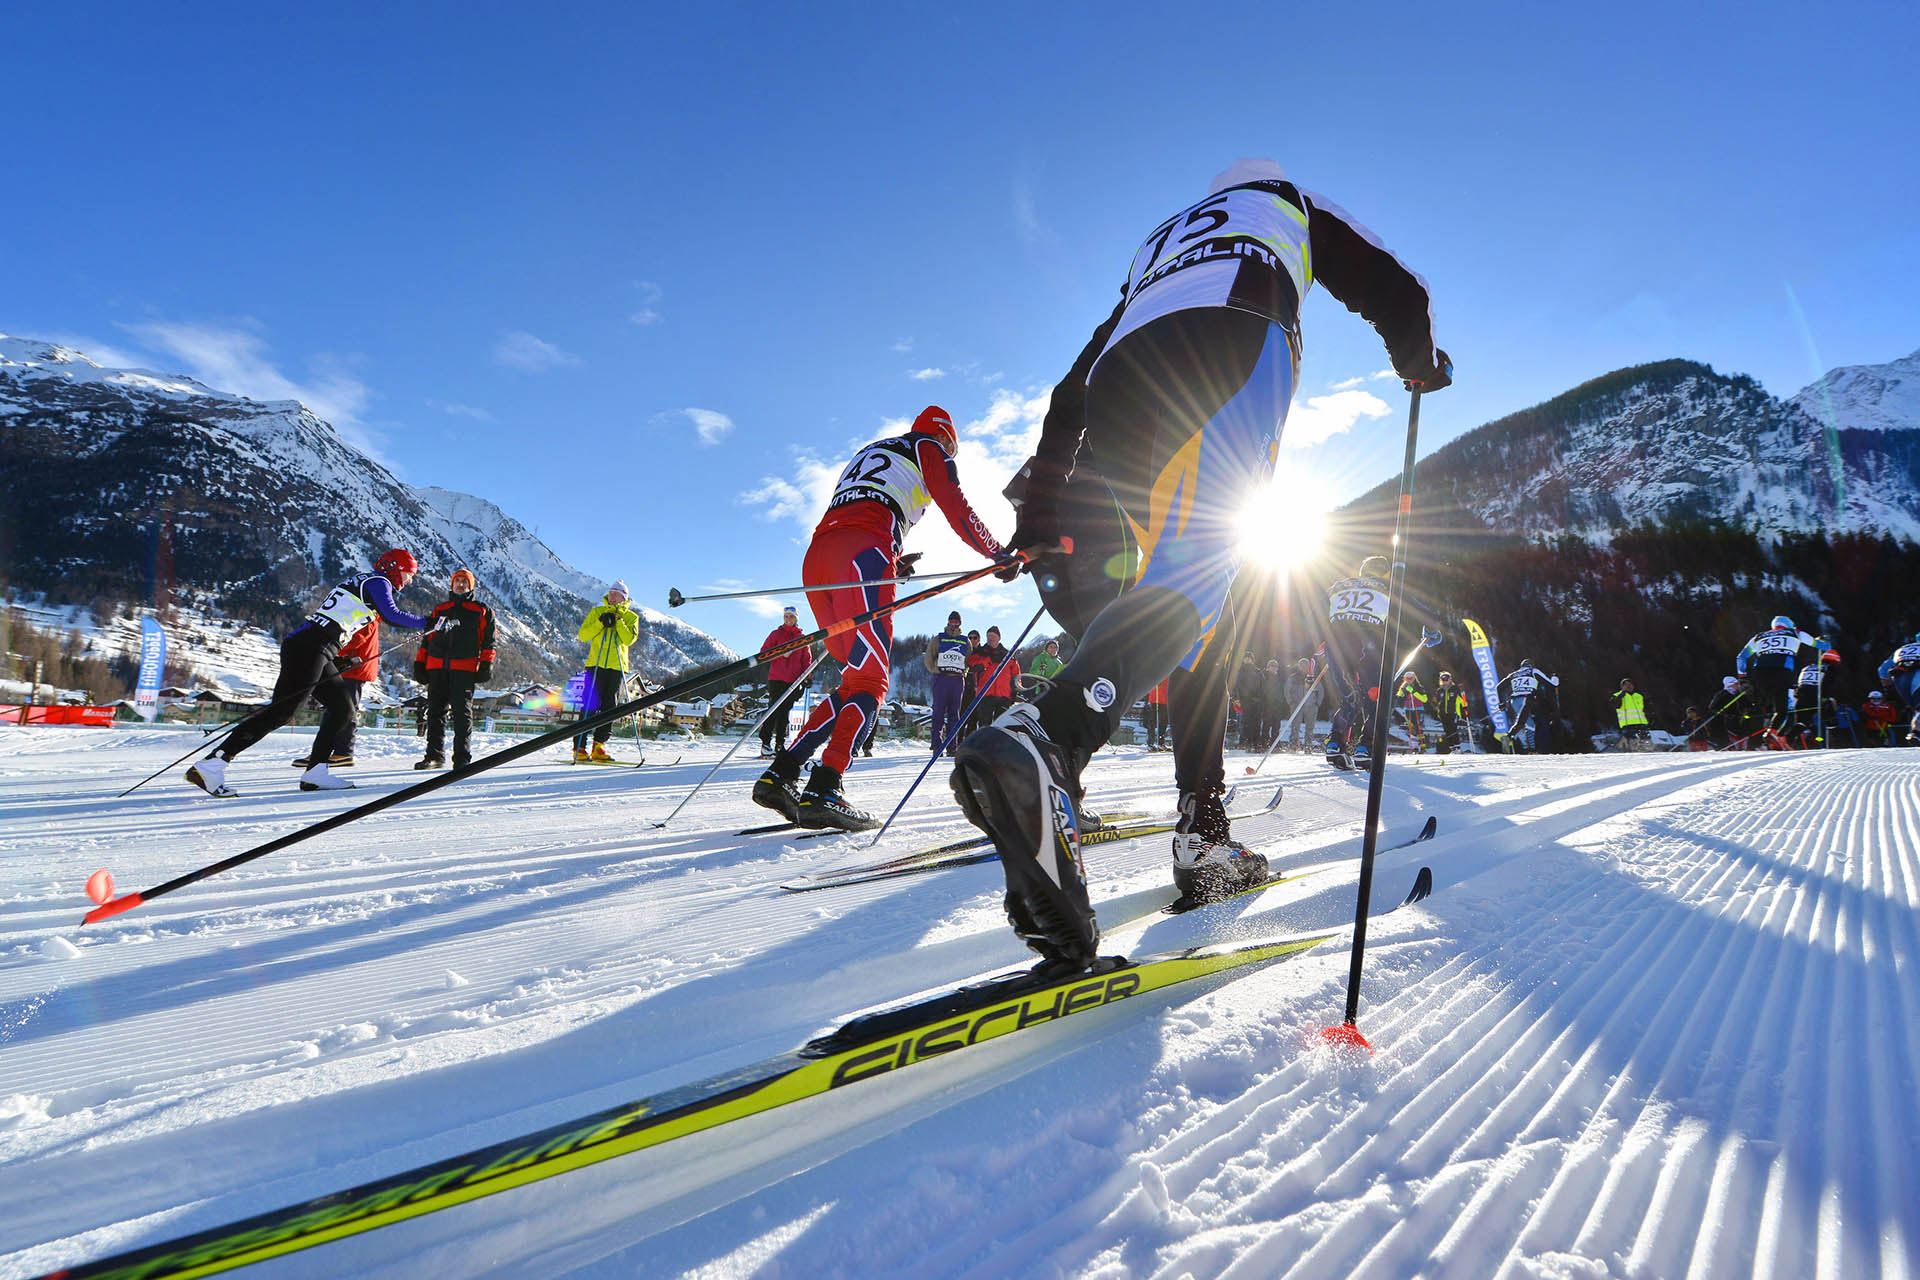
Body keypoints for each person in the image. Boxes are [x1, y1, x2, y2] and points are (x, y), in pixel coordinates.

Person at [953, 158, 1448, 972]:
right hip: (1232, 342)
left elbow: (1067, 392)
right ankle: (1052, 738)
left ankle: (1193, 830)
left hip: (1122, 384)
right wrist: (1418, 359)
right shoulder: (1284, 201)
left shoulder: (1162, 241)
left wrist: (1041, 514)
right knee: (1204, 568)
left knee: (1198, 606)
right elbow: (1397, 286)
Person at [753, 405, 1005, 830]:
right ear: (945, 438)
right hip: (862, 555)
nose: (950, 456)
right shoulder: (929, 446)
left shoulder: (877, 449)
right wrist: (996, 552)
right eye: (952, 449)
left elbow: (864, 504)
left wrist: (892, 561)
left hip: (820, 561)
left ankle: (783, 772)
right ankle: (826, 785)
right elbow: (954, 504)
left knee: (854, 681)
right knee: (873, 683)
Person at [187, 550, 431, 797]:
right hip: (312, 649)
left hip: (315, 648)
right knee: (280, 713)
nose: (408, 580)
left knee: (343, 710)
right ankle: (212, 764)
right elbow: (393, 615)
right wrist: (430, 622)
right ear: (393, 568)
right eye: (407, 573)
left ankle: (316, 773)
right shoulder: (379, 582)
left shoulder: (363, 580)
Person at [412, 568, 496, 769]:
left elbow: (489, 642)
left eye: (464, 582)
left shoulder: (481, 610)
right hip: (436, 667)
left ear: (471, 586)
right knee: (434, 714)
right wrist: (419, 663)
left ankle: (461, 758)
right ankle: (434, 756)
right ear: (451, 584)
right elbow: (427, 638)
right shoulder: (440, 610)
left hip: (464, 669)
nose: (460, 584)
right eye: (457, 581)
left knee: (462, 714)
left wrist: (486, 664)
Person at [292, 616, 377, 769]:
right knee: (334, 709)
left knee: (345, 709)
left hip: (353, 668)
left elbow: (357, 638)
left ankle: (344, 752)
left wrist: (331, 648)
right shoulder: (360, 612)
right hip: (344, 666)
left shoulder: (367, 615)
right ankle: (322, 753)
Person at [1735, 616, 1818, 731]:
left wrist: (1742, 677)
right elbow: (1821, 645)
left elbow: (1741, 657)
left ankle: (1753, 735)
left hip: (1760, 674)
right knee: (1782, 709)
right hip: (1782, 672)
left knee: (1760, 705)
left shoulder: (1758, 637)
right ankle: (1772, 733)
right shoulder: (1796, 633)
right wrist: (1822, 642)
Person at [759, 605, 815, 758]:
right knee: (774, 710)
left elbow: (806, 661)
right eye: (786, 616)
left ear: (796, 618)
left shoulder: (802, 638)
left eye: (791, 616)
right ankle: (765, 743)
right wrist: (781, 654)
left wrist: (807, 678)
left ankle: (779, 744)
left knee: (785, 712)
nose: (788, 619)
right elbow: (764, 652)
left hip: (793, 681)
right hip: (776, 678)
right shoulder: (776, 634)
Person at [924, 611, 970, 754]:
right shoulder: (939, 638)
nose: (954, 624)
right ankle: (936, 745)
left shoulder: (965, 640)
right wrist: (935, 670)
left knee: (954, 714)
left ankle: (951, 746)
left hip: (957, 680)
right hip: (942, 678)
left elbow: (968, 660)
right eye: (951, 621)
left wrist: (964, 672)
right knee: (938, 712)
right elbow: (929, 657)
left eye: (956, 622)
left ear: (960, 623)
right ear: (948, 622)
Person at [1505, 658, 1561, 753]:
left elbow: (1499, 687)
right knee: (1529, 725)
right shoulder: (1533, 671)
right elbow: (1552, 684)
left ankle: (1511, 739)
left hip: (1513, 701)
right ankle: (1530, 749)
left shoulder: (1514, 674)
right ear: (1531, 665)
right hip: (1526, 699)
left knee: (1523, 723)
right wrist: (1555, 678)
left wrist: (1501, 703)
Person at [973, 626, 1021, 728]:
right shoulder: (980, 652)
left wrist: (1015, 690)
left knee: (1001, 726)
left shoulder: (1008, 655)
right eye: (988, 636)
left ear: (999, 638)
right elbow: (972, 665)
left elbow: (1016, 674)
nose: (990, 638)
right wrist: (987, 660)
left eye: (993, 636)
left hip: (1004, 695)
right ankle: (984, 744)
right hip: (985, 694)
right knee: (984, 725)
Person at [1878, 632, 1920, 744]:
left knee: (1918, 709)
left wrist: (1888, 689)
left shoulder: (1903, 648)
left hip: (1899, 678)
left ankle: (1916, 733)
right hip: (1917, 676)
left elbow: (1882, 669)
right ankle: (1916, 732)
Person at [1285, 657, 1322, 753]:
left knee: (1310, 727)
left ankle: (1308, 746)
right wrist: (1291, 702)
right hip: (1297, 705)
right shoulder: (1293, 678)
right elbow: (1287, 690)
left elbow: (1321, 691)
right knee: (1295, 726)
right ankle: (1293, 746)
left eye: (1306, 665)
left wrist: (1317, 703)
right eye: (1302, 665)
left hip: (1311, 706)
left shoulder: (1313, 677)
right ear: (1299, 666)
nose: (1304, 667)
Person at [963, 631, 993, 737]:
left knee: (974, 718)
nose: (972, 640)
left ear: (979, 639)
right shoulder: (964, 651)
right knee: (961, 717)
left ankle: (969, 743)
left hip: (978, 688)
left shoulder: (983, 652)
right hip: (964, 687)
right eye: (970, 638)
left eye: (974, 638)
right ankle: (956, 744)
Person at [1431, 671, 1467, 754]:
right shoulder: (1440, 690)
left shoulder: (1455, 689)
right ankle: (1452, 749)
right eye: (1443, 679)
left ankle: (1457, 748)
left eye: (1446, 679)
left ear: (1450, 679)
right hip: (1443, 713)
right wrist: (1434, 705)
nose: (1445, 681)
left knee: (1453, 729)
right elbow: (1435, 700)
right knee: (1447, 731)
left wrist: (1465, 706)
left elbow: (1462, 700)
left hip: (1453, 713)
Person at [1394, 670, 1428, 753]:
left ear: (1414, 678)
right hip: (1408, 709)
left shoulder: (1419, 687)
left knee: (1419, 727)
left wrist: (1413, 692)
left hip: (1418, 709)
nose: (1408, 680)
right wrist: (1403, 694)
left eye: (1410, 678)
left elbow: (1424, 699)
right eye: (1406, 678)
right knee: (1411, 728)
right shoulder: (1403, 687)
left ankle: (1422, 747)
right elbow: (1399, 698)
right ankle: (1414, 748)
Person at [1612, 678, 1649, 743]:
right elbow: (1616, 706)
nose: (1628, 686)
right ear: (1622, 687)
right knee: (1632, 742)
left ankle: (1649, 750)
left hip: (1641, 722)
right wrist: (1620, 696)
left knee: (1646, 741)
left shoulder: (1639, 696)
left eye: (1630, 684)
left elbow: (1645, 708)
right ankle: (1634, 751)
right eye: (1626, 684)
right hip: (1627, 723)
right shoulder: (1616, 695)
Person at [1143, 677, 1170, 749]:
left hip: (1165, 698)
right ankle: (1150, 743)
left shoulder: (1170, 668)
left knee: (1164, 721)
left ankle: (1161, 743)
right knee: (1153, 721)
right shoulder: (1156, 667)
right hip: (1155, 698)